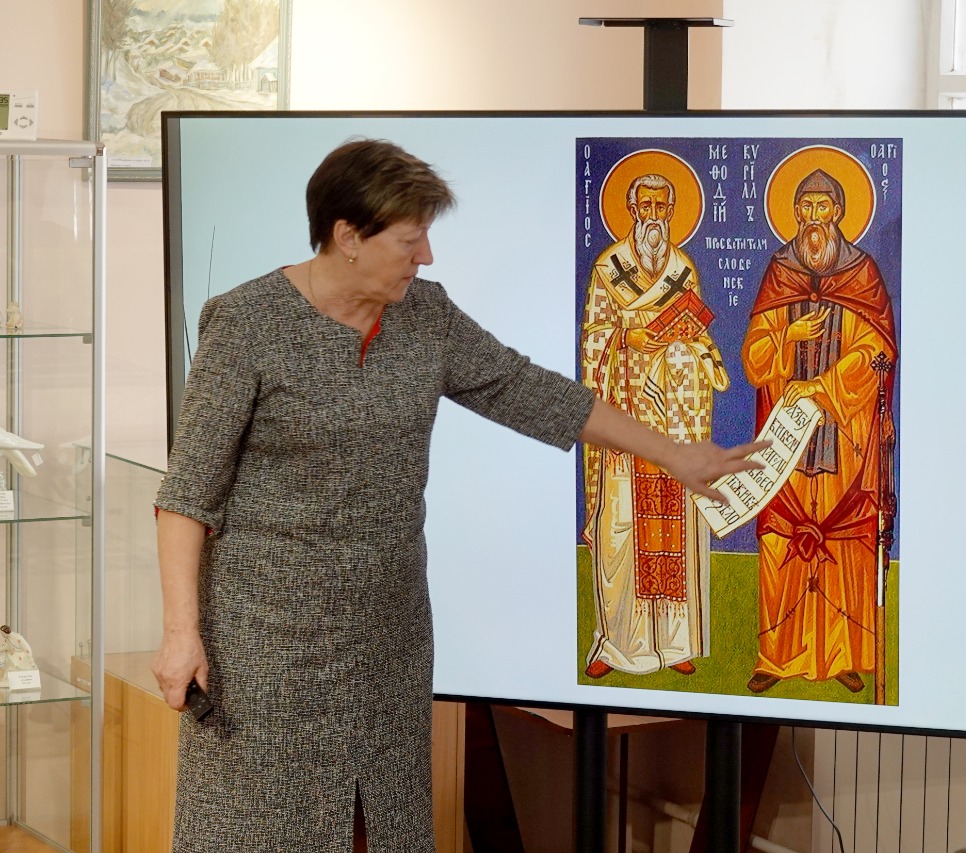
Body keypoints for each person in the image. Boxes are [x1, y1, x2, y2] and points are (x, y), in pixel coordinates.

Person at [151, 139, 764, 853]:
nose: (427, 256)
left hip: (388, 634)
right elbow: (188, 493)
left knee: (381, 824)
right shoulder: (246, 323)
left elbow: (532, 391)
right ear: (348, 236)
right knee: (260, 828)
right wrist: (181, 632)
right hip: (266, 642)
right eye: (411, 239)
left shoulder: (426, 317)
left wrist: (677, 455)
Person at [741, 168, 897, 695]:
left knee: (846, 538)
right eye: (805, 208)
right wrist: (787, 335)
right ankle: (776, 658)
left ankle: (844, 654)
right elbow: (754, 360)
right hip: (786, 440)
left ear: (839, 212)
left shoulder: (863, 273)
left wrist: (823, 386)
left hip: (844, 438)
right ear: (795, 213)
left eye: (823, 207)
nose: (814, 218)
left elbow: (878, 351)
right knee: (780, 539)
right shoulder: (779, 272)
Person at [580, 172, 730, 678]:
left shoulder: (682, 270)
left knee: (676, 530)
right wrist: (628, 340)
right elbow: (593, 337)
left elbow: (697, 333)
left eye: (661, 206)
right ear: (631, 210)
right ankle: (616, 645)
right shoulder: (609, 268)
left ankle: (674, 644)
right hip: (624, 423)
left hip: (673, 425)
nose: (653, 215)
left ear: (670, 211)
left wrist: (686, 346)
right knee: (620, 532)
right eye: (644, 205)